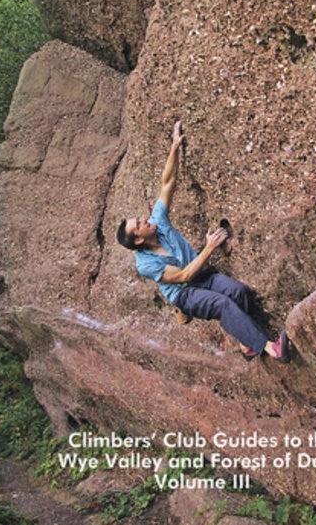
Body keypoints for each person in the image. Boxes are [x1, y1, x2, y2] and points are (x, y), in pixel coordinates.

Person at [116, 121, 289, 363]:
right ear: (137, 239)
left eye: (140, 218)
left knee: (239, 293)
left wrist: (175, 146)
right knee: (222, 304)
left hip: (202, 276)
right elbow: (185, 276)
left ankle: (246, 344)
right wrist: (209, 247)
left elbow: (167, 182)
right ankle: (272, 349)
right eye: (139, 224)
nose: (144, 220)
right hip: (184, 294)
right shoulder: (145, 264)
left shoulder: (159, 222)